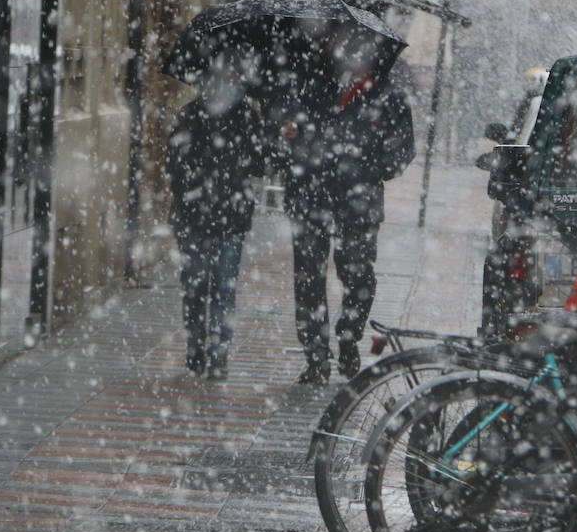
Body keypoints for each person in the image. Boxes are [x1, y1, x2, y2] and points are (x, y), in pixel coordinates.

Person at [274, 65, 415, 384]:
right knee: (309, 278)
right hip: (309, 198)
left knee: (359, 275)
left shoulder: (387, 96)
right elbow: (278, 145)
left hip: (359, 202)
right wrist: (288, 141)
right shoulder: (305, 89)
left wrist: (370, 168)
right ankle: (316, 354)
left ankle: (349, 338)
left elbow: (403, 148)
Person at [164, 81, 265, 381]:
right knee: (196, 287)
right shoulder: (191, 115)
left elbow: (261, 164)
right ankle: (197, 344)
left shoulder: (247, 116)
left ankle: (219, 351)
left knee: (223, 287)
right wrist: (195, 188)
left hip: (230, 218)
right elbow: (174, 165)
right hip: (196, 217)